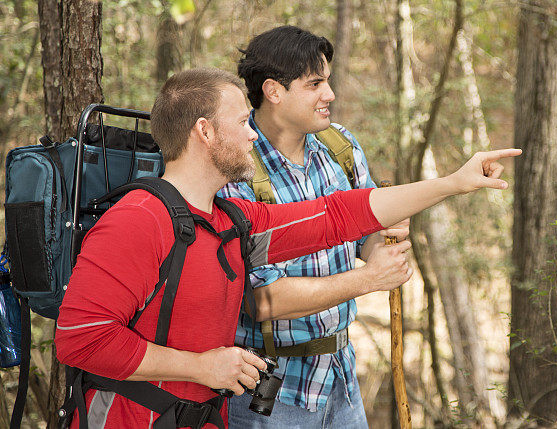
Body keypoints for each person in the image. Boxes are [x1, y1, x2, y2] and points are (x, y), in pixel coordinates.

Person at [54, 67, 520, 428]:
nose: (254, 135)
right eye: (241, 122)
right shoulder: (138, 220)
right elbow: (80, 340)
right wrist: (200, 367)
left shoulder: (232, 223)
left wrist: (454, 183)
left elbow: (338, 215)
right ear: (204, 131)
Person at [219, 26, 409, 428]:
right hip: (269, 393)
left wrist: (382, 242)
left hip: (340, 378)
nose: (330, 95)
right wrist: (370, 279)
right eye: (315, 84)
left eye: (329, 81)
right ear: (273, 91)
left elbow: (366, 235)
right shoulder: (235, 168)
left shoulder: (339, 146)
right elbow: (263, 300)